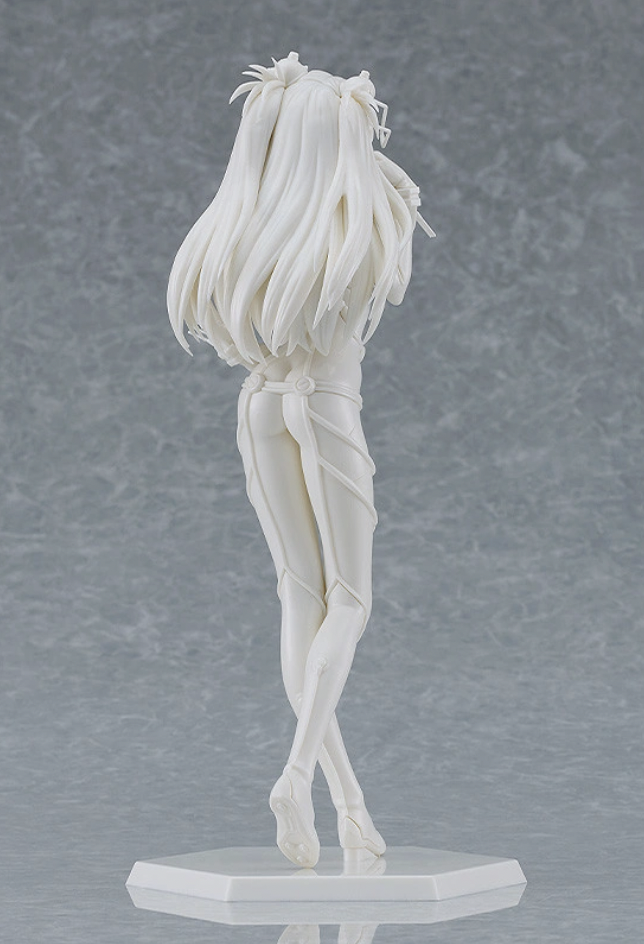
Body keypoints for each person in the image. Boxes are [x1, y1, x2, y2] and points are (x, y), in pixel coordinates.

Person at [167, 52, 434, 869]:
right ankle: (295, 774)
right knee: (348, 602)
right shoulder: (364, 218)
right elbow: (394, 279)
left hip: (260, 404)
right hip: (326, 406)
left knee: (298, 596)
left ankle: (348, 805)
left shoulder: (243, 220)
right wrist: (383, 174)